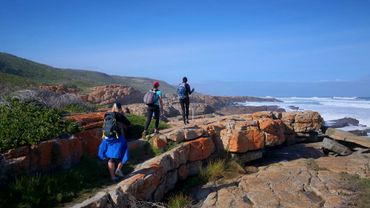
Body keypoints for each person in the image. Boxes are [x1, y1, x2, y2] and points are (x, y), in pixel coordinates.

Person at [98, 102, 131, 181]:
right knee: (124, 153)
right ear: (119, 108)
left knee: (111, 158)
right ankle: (118, 169)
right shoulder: (119, 115)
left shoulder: (107, 114)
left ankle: (113, 177)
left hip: (107, 138)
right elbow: (128, 124)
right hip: (116, 138)